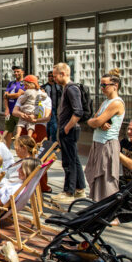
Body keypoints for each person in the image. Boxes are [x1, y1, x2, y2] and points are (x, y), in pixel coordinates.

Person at [84, 69, 126, 202]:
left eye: (104, 85)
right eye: (100, 85)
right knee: (96, 176)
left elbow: (96, 120)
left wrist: (97, 122)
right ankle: (98, 205)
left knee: (107, 177)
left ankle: (111, 211)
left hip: (107, 143)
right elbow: (94, 120)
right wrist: (96, 122)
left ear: (115, 86)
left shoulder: (116, 103)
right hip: (98, 142)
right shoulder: (105, 102)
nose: (102, 88)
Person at [52, 62, 87, 203]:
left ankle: (69, 191)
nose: (54, 78)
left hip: (69, 130)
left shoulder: (71, 89)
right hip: (68, 129)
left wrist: (67, 127)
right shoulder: (67, 88)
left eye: (55, 75)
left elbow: (78, 111)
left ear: (62, 74)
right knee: (74, 159)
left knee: (69, 161)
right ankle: (79, 188)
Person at [14, 75, 47, 139]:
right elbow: (45, 96)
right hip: (34, 111)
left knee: (20, 123)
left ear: (30, 85)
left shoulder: (27, 92)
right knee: (31, 125)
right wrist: (44, 95)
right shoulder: (38, 92)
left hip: (26, 110)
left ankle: (17, 134)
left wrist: (21, 101)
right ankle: (29, 136)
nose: (24, 87)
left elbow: (22, 100)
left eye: (25, 85)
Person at [2, 65, 24, 148]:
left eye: (18, 71)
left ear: (22, 72)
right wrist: (7, 109)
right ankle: (7, 148)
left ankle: (19, 149)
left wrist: (8, 95)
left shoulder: (24, 83)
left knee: (20, 132)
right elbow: (5, 96)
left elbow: (18, 95)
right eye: (15, 72)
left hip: (19, 112)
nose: (16, 73)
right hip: (10, 111)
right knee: (8, 131)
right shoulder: (11, 83)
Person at [42, 70, 63, 146]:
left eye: (52, 76)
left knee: (50, 125)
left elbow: (61, 96)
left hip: (55, 108)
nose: (51, 78)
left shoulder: (58, 87)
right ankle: (53, 141)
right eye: (49, 76)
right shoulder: (45, 87)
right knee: (53, 124)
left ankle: (47, 140)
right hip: (47, 108)